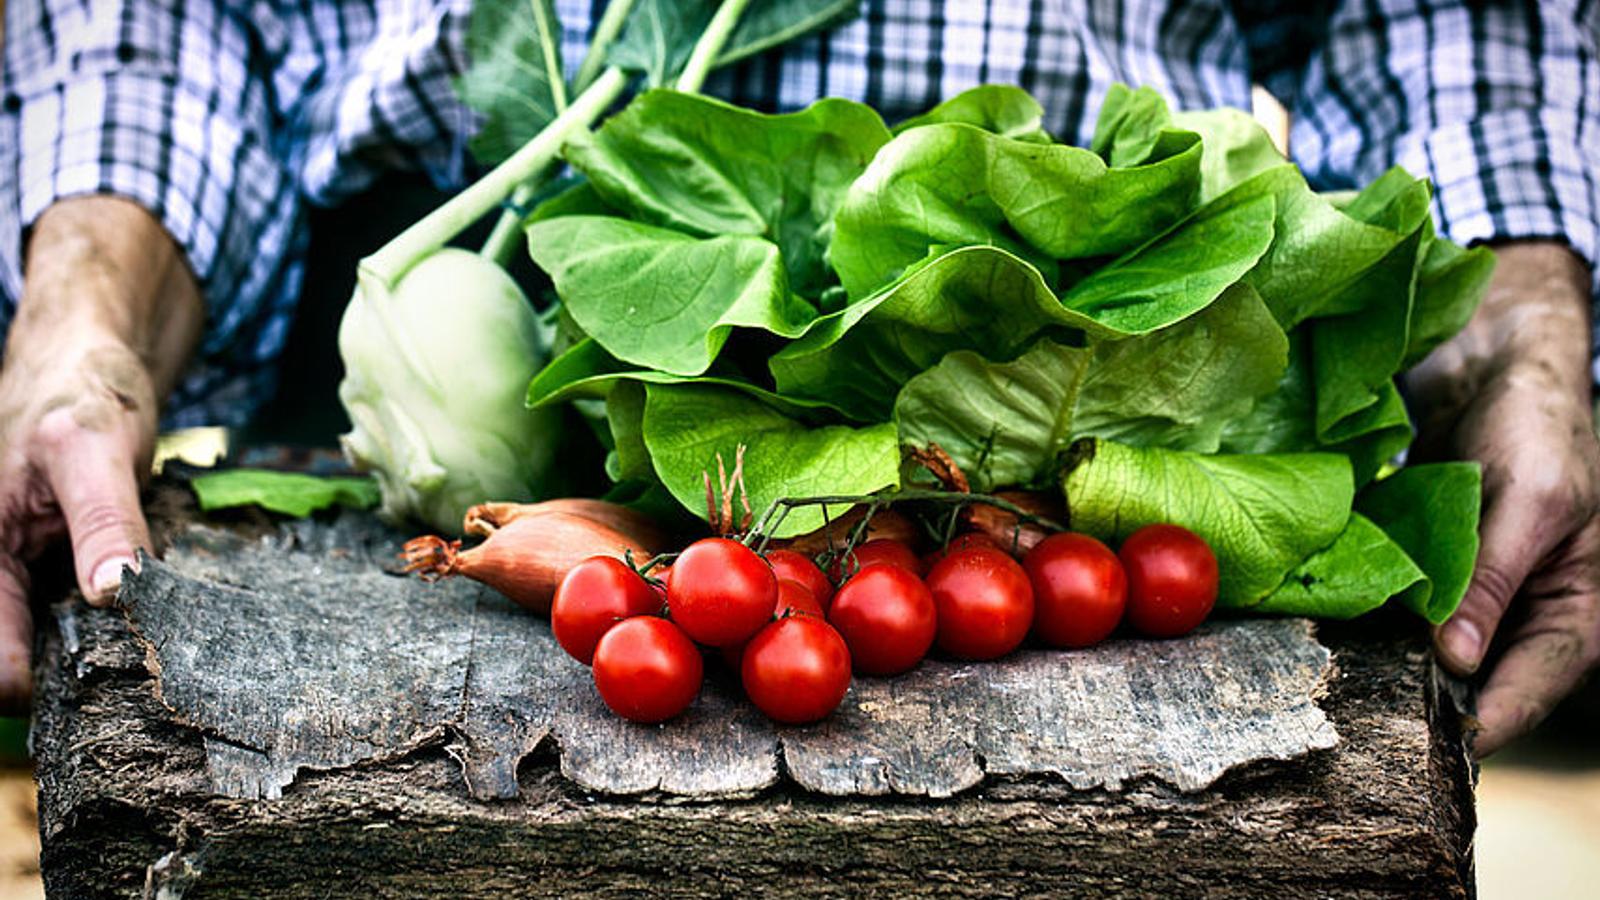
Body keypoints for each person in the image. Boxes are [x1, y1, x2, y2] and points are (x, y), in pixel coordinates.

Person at [0, 0, 1595, 755]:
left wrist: (1524, 326)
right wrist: (80, 321)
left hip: (1138, 412)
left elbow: (1461, 20)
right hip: (477, 372)